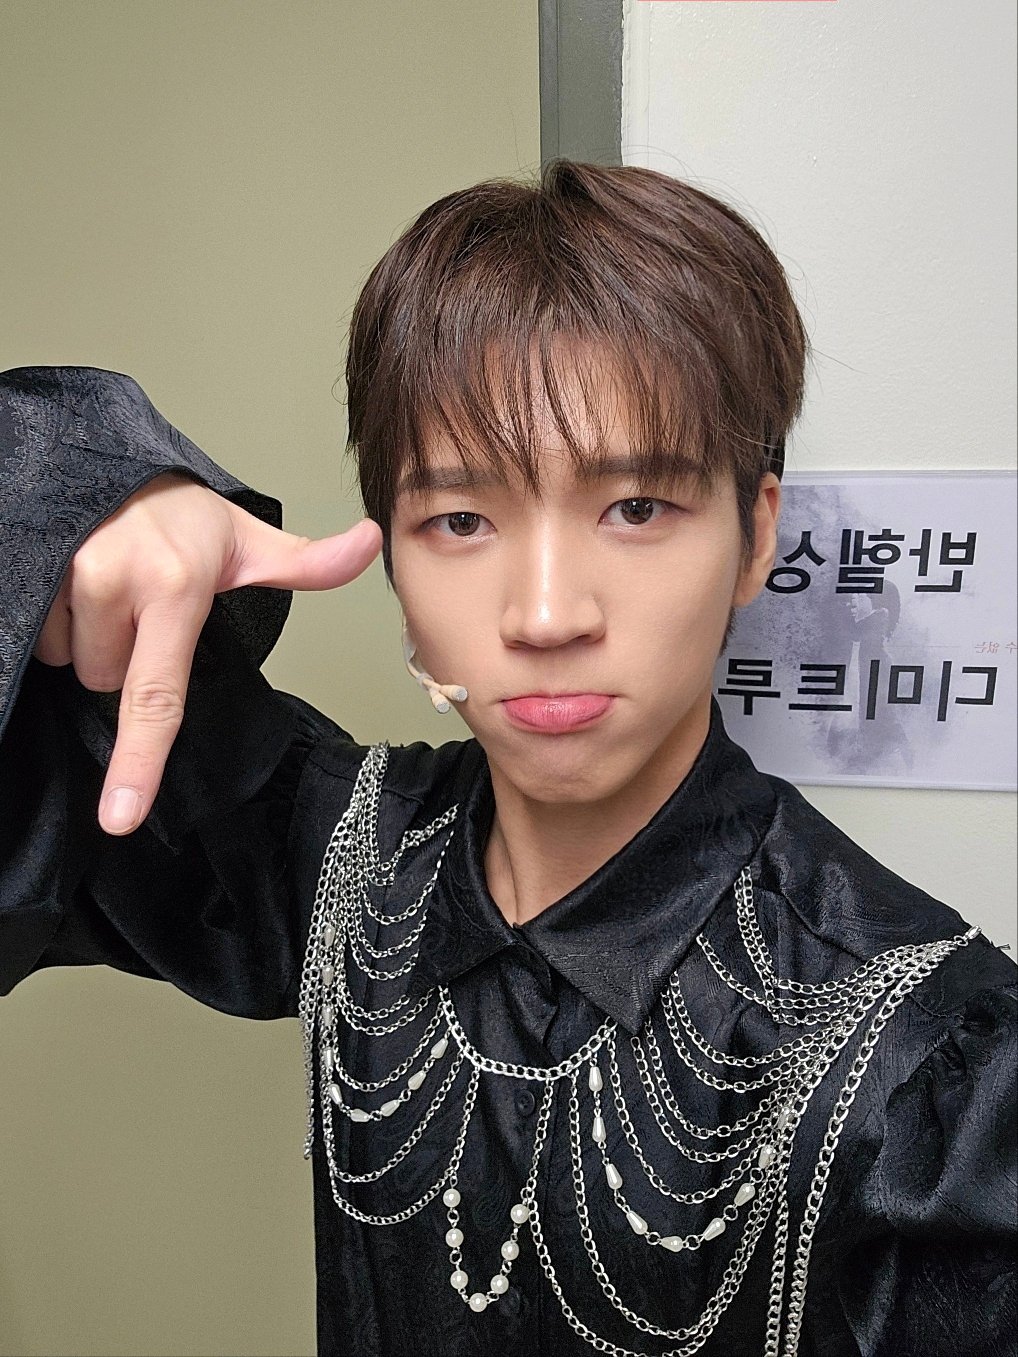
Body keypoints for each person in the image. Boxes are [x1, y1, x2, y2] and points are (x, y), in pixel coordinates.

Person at [1, 160, 1014, 1357]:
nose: (543, 615)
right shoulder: (334, 857)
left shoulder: (931, 1060)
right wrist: (77, 497)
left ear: (755, 535)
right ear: (391, 559)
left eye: (635, 508)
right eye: (461, 520)